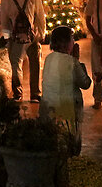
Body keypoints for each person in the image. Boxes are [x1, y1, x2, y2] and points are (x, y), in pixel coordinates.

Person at [39, 26, 92, 154]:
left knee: (53, 142)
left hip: (48, 108)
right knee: (70, 144)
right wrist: (78, 61)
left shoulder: (48, 59)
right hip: (68, 110)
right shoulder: (72, 62)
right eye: (72, 39)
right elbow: (85, 83)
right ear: (66, 43)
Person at [0, 0, 48, 101]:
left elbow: (40, 14)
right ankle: (18, 92)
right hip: (16, 37)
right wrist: (7, 37)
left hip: (32, 35)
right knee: (15, 64)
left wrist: (41, 33)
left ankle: (35, 94)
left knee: (35, 63)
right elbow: (4, 19)